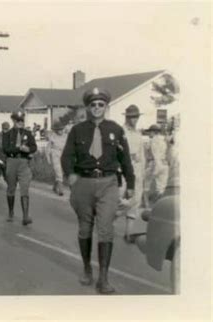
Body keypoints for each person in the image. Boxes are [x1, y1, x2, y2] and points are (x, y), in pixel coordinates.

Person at [61, 87, 135, 294]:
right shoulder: (77, 130)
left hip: (108, 183)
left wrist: (131, 184)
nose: (96, 108)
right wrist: (70, 174)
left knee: (106, 229)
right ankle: (87, 269)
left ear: (106, 107)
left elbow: (125, 160)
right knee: (85, 228)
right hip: (83, 183)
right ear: (87, 107)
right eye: (93, 105)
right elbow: (66, 156)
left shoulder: (116, 129)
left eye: (100, 105)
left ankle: (103, 278)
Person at [2, 110, 37, 225]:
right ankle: (11, 212)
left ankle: (25, 216)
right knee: (11, 188)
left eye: (22, 120)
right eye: (18, 120)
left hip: (24, 162)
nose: (20, 122)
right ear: (13, 121)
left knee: (25, 188)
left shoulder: (28, 134)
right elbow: (5, 149)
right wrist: (18, 148)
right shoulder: (7, 134)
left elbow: (34, 147)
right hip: (11, 161)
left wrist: (28, 149)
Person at [119, 105, 146, 242]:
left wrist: (143, 173)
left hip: (137, 169)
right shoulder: (121, 132)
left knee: (135, 201)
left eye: (136, 116)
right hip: (124, 169)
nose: (134, 119)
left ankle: (128, 233)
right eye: (131, 117)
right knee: (121, 200)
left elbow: (141, 154)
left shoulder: (138, 133)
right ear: (126, 117)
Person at [144, 124, 169, 207]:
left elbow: (156, 155)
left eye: (150, 132)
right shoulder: (164, 140)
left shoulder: (153, 141)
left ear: (154, 132)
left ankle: (146, 204)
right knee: (161, 187)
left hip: (154, 163)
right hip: (164, 163)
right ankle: (161, 205)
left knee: (146, 184)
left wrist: (156, 168)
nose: (149, 134)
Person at [45, 120, 68, 196]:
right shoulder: (52, 137)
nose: (60, 131)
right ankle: (61, 190)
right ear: (55, 130)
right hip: (55, 154)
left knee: (63, 172)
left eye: (61, 129)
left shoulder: (66, 136)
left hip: (64, 154)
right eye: (58, 130)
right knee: (58, 171)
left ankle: (55, 186)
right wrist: (48, 158)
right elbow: (48, 148)